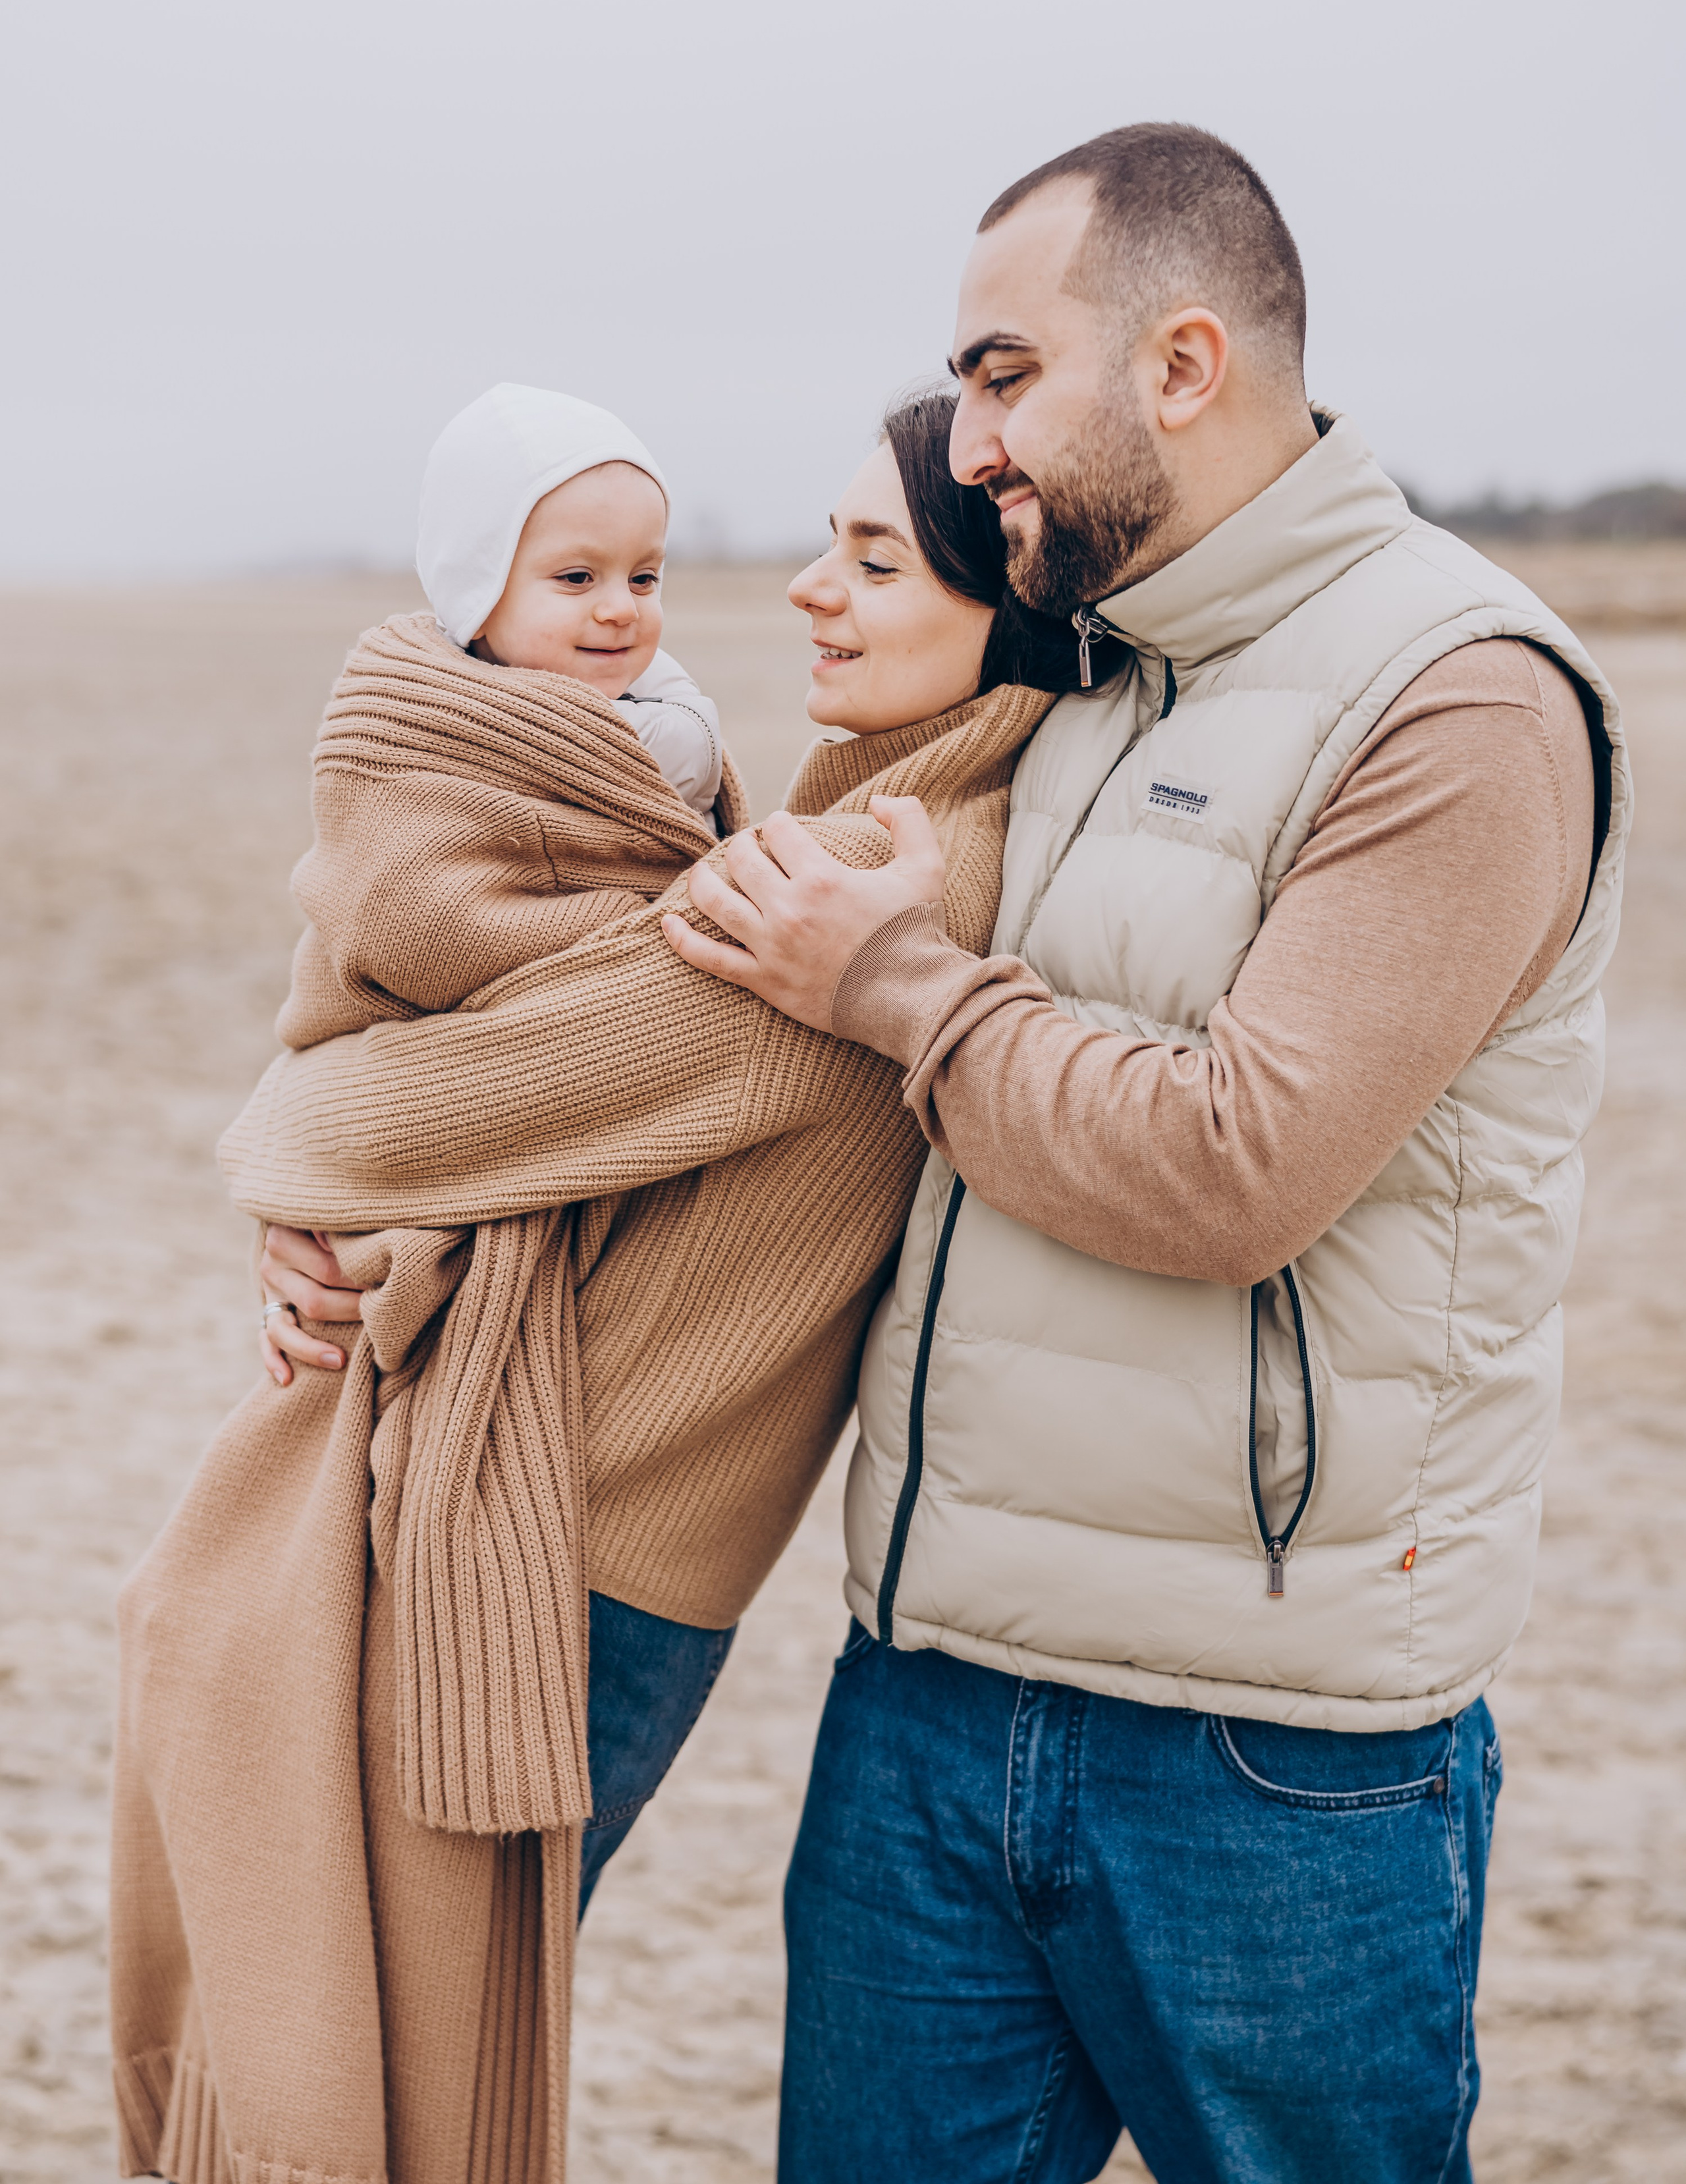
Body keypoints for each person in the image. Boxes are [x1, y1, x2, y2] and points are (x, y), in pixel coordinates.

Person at [663, 124, 1631, 2183]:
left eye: (1007, 376)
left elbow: (1236, 1164)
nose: (973, 438)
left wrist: (909, 988)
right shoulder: (1076, 666)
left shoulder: (1456, 701)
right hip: (925, 1695)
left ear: (1183, 364)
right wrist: (370, 1231)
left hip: (1275, 1757)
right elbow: (762, 1062)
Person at [111, 387, 1074, 2184]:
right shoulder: (859, 810)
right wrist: (342, 1203)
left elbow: (492, 1091)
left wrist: (295, 1156)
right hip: (586, 1517)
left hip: (576, 1546)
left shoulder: (873, 879)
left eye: (871, 558)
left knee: (384, 2050)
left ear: (1004, 603)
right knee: (377, 2008)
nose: (799, 590)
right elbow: (548, 1095)